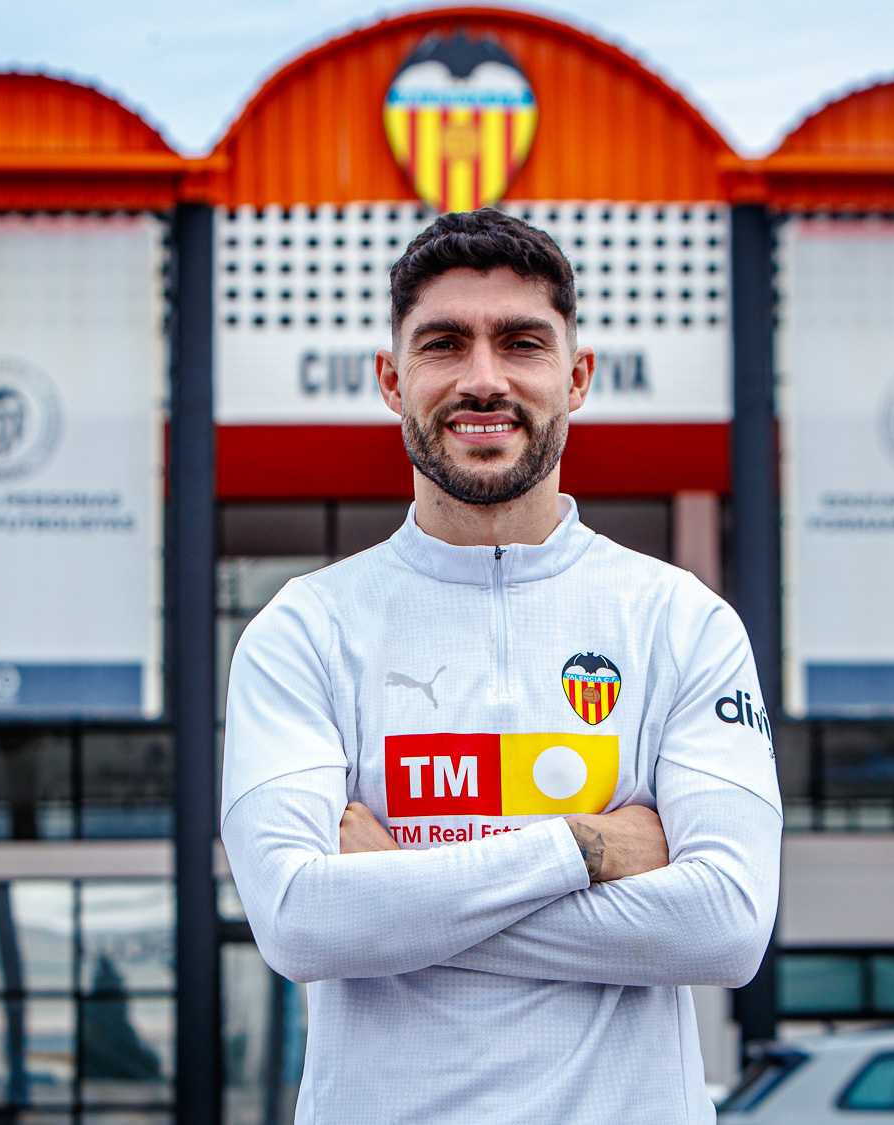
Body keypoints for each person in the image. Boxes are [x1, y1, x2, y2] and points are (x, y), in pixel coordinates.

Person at [219, 207, 782, 1124]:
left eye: (521, 342)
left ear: (577, 376)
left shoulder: (683, 622)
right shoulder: (304, 631)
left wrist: (400, 896)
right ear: (392, 379)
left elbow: (725, 925)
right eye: (445, 344)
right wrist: (583, 847)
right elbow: (299, 921)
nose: (484, 380)